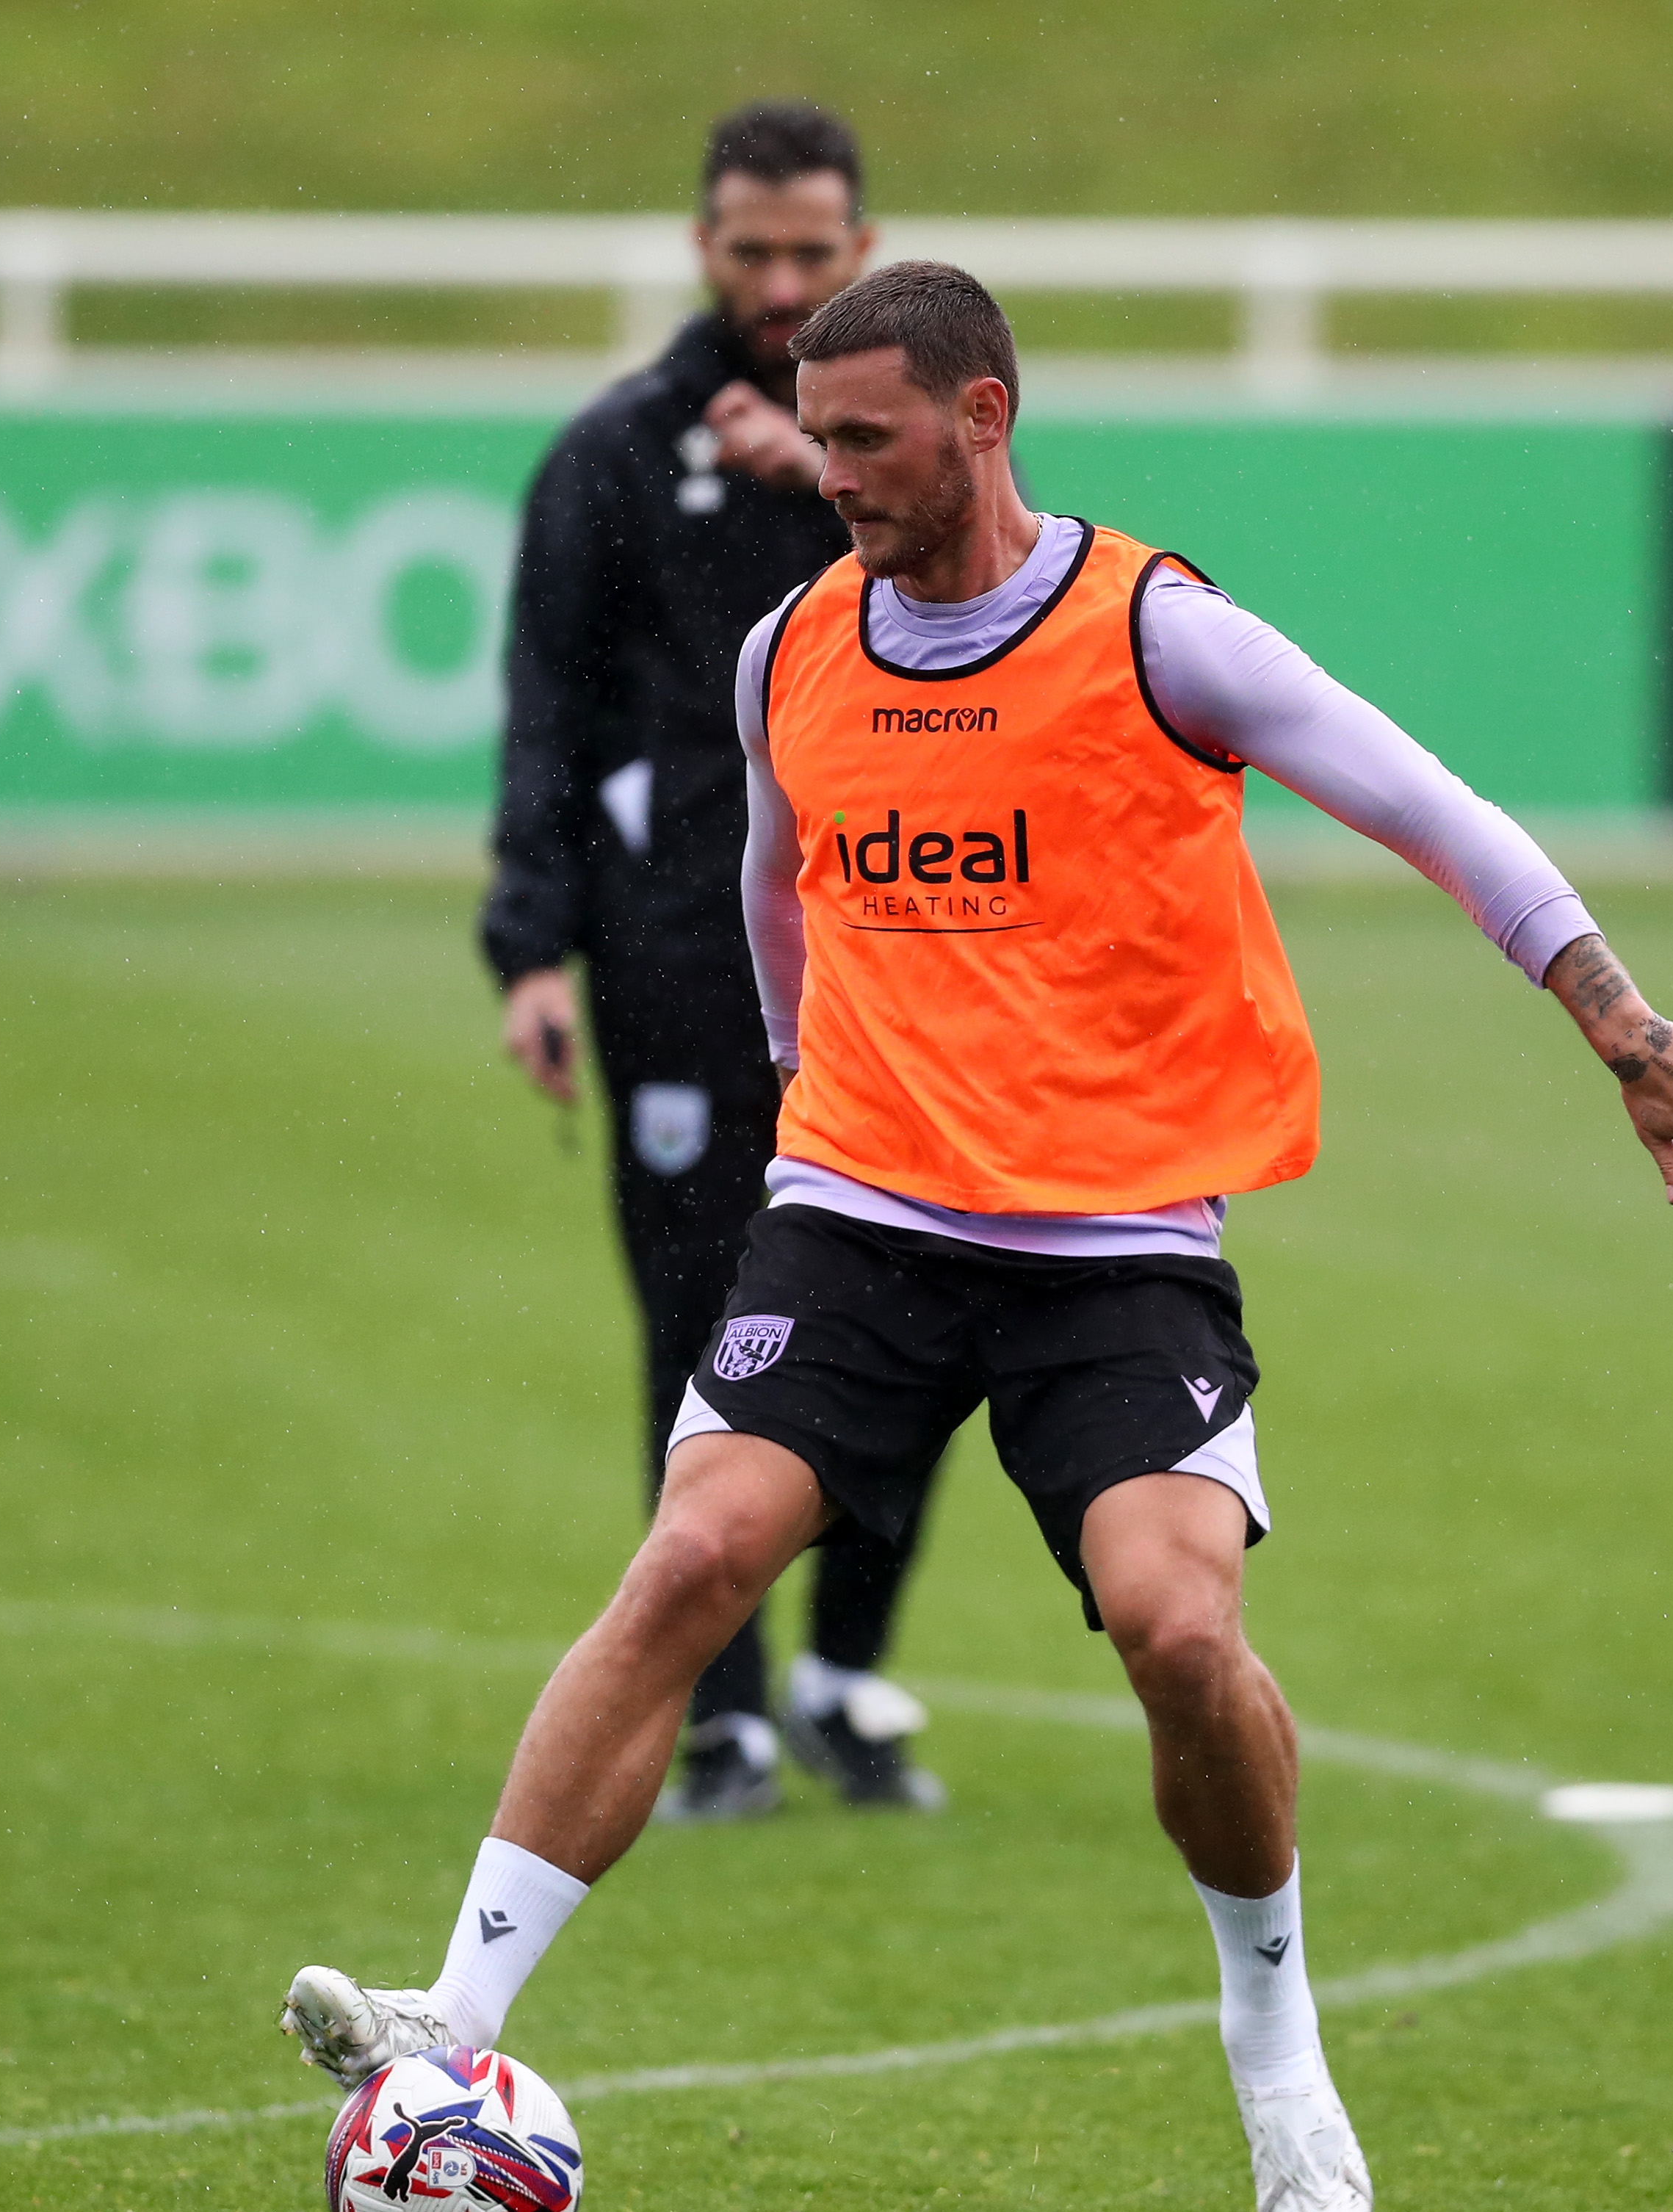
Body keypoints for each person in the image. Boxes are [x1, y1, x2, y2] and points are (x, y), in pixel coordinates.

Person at [293, 262, 1673, 2212]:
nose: (827, 479)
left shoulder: (1157, 633)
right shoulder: (790, 653)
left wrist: (1619, 1020)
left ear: (983, 416)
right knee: (688, 1556)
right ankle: (449, 2028)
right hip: (859, 1204)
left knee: (1179, 1632)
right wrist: (803, 1122)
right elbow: (777, 900)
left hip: (1114, 1234)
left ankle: (1274, 2037)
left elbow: (1429, 805)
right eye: (814, 439)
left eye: (866, 440)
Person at [480, 101, 944, 1819]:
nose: (778, 279)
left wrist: (815, 495)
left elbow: (987, 628)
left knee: (920, 1304)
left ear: (861, 247)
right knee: (699, 1320)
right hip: (672, 950)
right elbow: (545, 707)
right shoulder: (613, 454)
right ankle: (729, 1708)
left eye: (812, 252)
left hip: (896, 953)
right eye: (750, 250)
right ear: (703, 246)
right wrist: (528, 943)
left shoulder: (901, 456)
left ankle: (847, 1669)